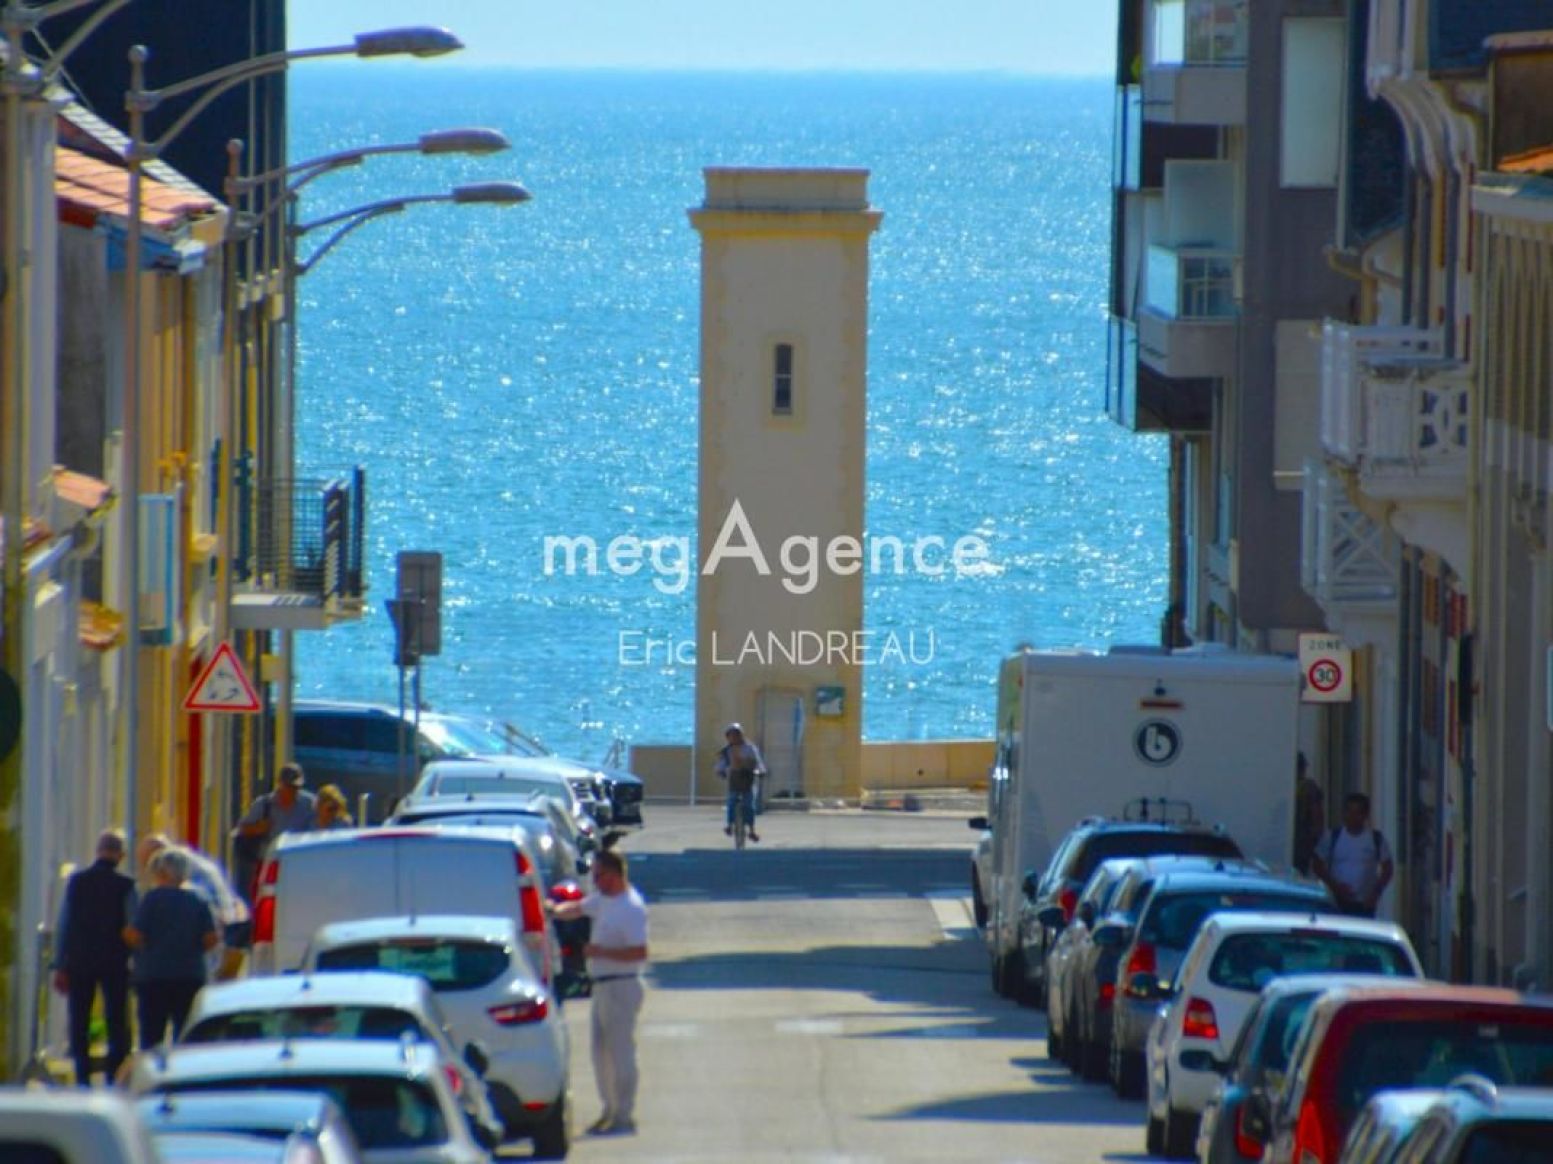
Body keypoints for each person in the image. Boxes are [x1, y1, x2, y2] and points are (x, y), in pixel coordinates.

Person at [551, 849, 648, 1137]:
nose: (594, 881)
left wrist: (600, 952)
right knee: (600, 1053)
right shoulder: (603, 900)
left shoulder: (631, 907)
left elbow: (639, 952)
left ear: (614, 874)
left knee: (620, 1052)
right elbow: (578, 908)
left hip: (622, 983)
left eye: (599, 875)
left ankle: (623, 1114)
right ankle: (609, 1108)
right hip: (602, 984)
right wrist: (551, 909)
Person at [51, 829, 137, 1086]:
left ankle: (82, 1074)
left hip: (79, 960)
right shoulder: (126, 886)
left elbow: (64, 924)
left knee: (79, 1018)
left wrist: (60, 963)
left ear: (98, 851)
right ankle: (114, 1074)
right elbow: (132, 925)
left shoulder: (77, 883)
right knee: (116, 1019)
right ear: (120, 855)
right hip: (115, 961)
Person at [125, 845, 216, 1047]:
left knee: (151, 1037)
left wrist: (141, 945)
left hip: (154, 976)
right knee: (186, 1035)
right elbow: (211, 939)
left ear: (161, 872)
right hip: (190, 975)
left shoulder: (152, 899)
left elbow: (135, 934)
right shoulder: (198, 900)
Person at [137, 832, 251, 982]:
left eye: (152, 868)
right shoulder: (197, 864)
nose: (154, 879)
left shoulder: (186, 877)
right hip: (219, 940)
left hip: (204, 952)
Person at [233, 762, 316, 897]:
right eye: (289, 787)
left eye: (296, 787)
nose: (293, 791)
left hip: (298, 867)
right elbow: (242, 829)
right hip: (269, 866)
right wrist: (258, 828)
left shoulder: (309, 804)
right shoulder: (264, 804)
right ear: (280, 784)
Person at [1310, 792, 1394, 918]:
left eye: (1357, 812)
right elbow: (1317, 864)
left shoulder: (1375, 839)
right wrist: (1335, 887)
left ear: (1365, 815)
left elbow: (1388, 868)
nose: (1352, 817)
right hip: (1336, 903)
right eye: (1349, 811)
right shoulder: (1332, 837)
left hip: (1365, 904)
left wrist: (1375, 894)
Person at [715, 723, 766, 842]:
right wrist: (720, 771)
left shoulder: (750, 748)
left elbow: (758, 762)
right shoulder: (726, 751)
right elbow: (721, 764)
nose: (734, 737)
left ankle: (752, 831)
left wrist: (760, 771)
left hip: (748, 780)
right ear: (728, 737)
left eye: (737, 734)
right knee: (731, 802)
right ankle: (729, 825)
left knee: (749, 805)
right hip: (734, 781)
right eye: (731, 735)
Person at [1293, 752, 1325, 876]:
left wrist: (1313, 843)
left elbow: (1317, 817)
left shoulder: (1308, 787)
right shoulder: (1290, 788)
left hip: (1301, 845)